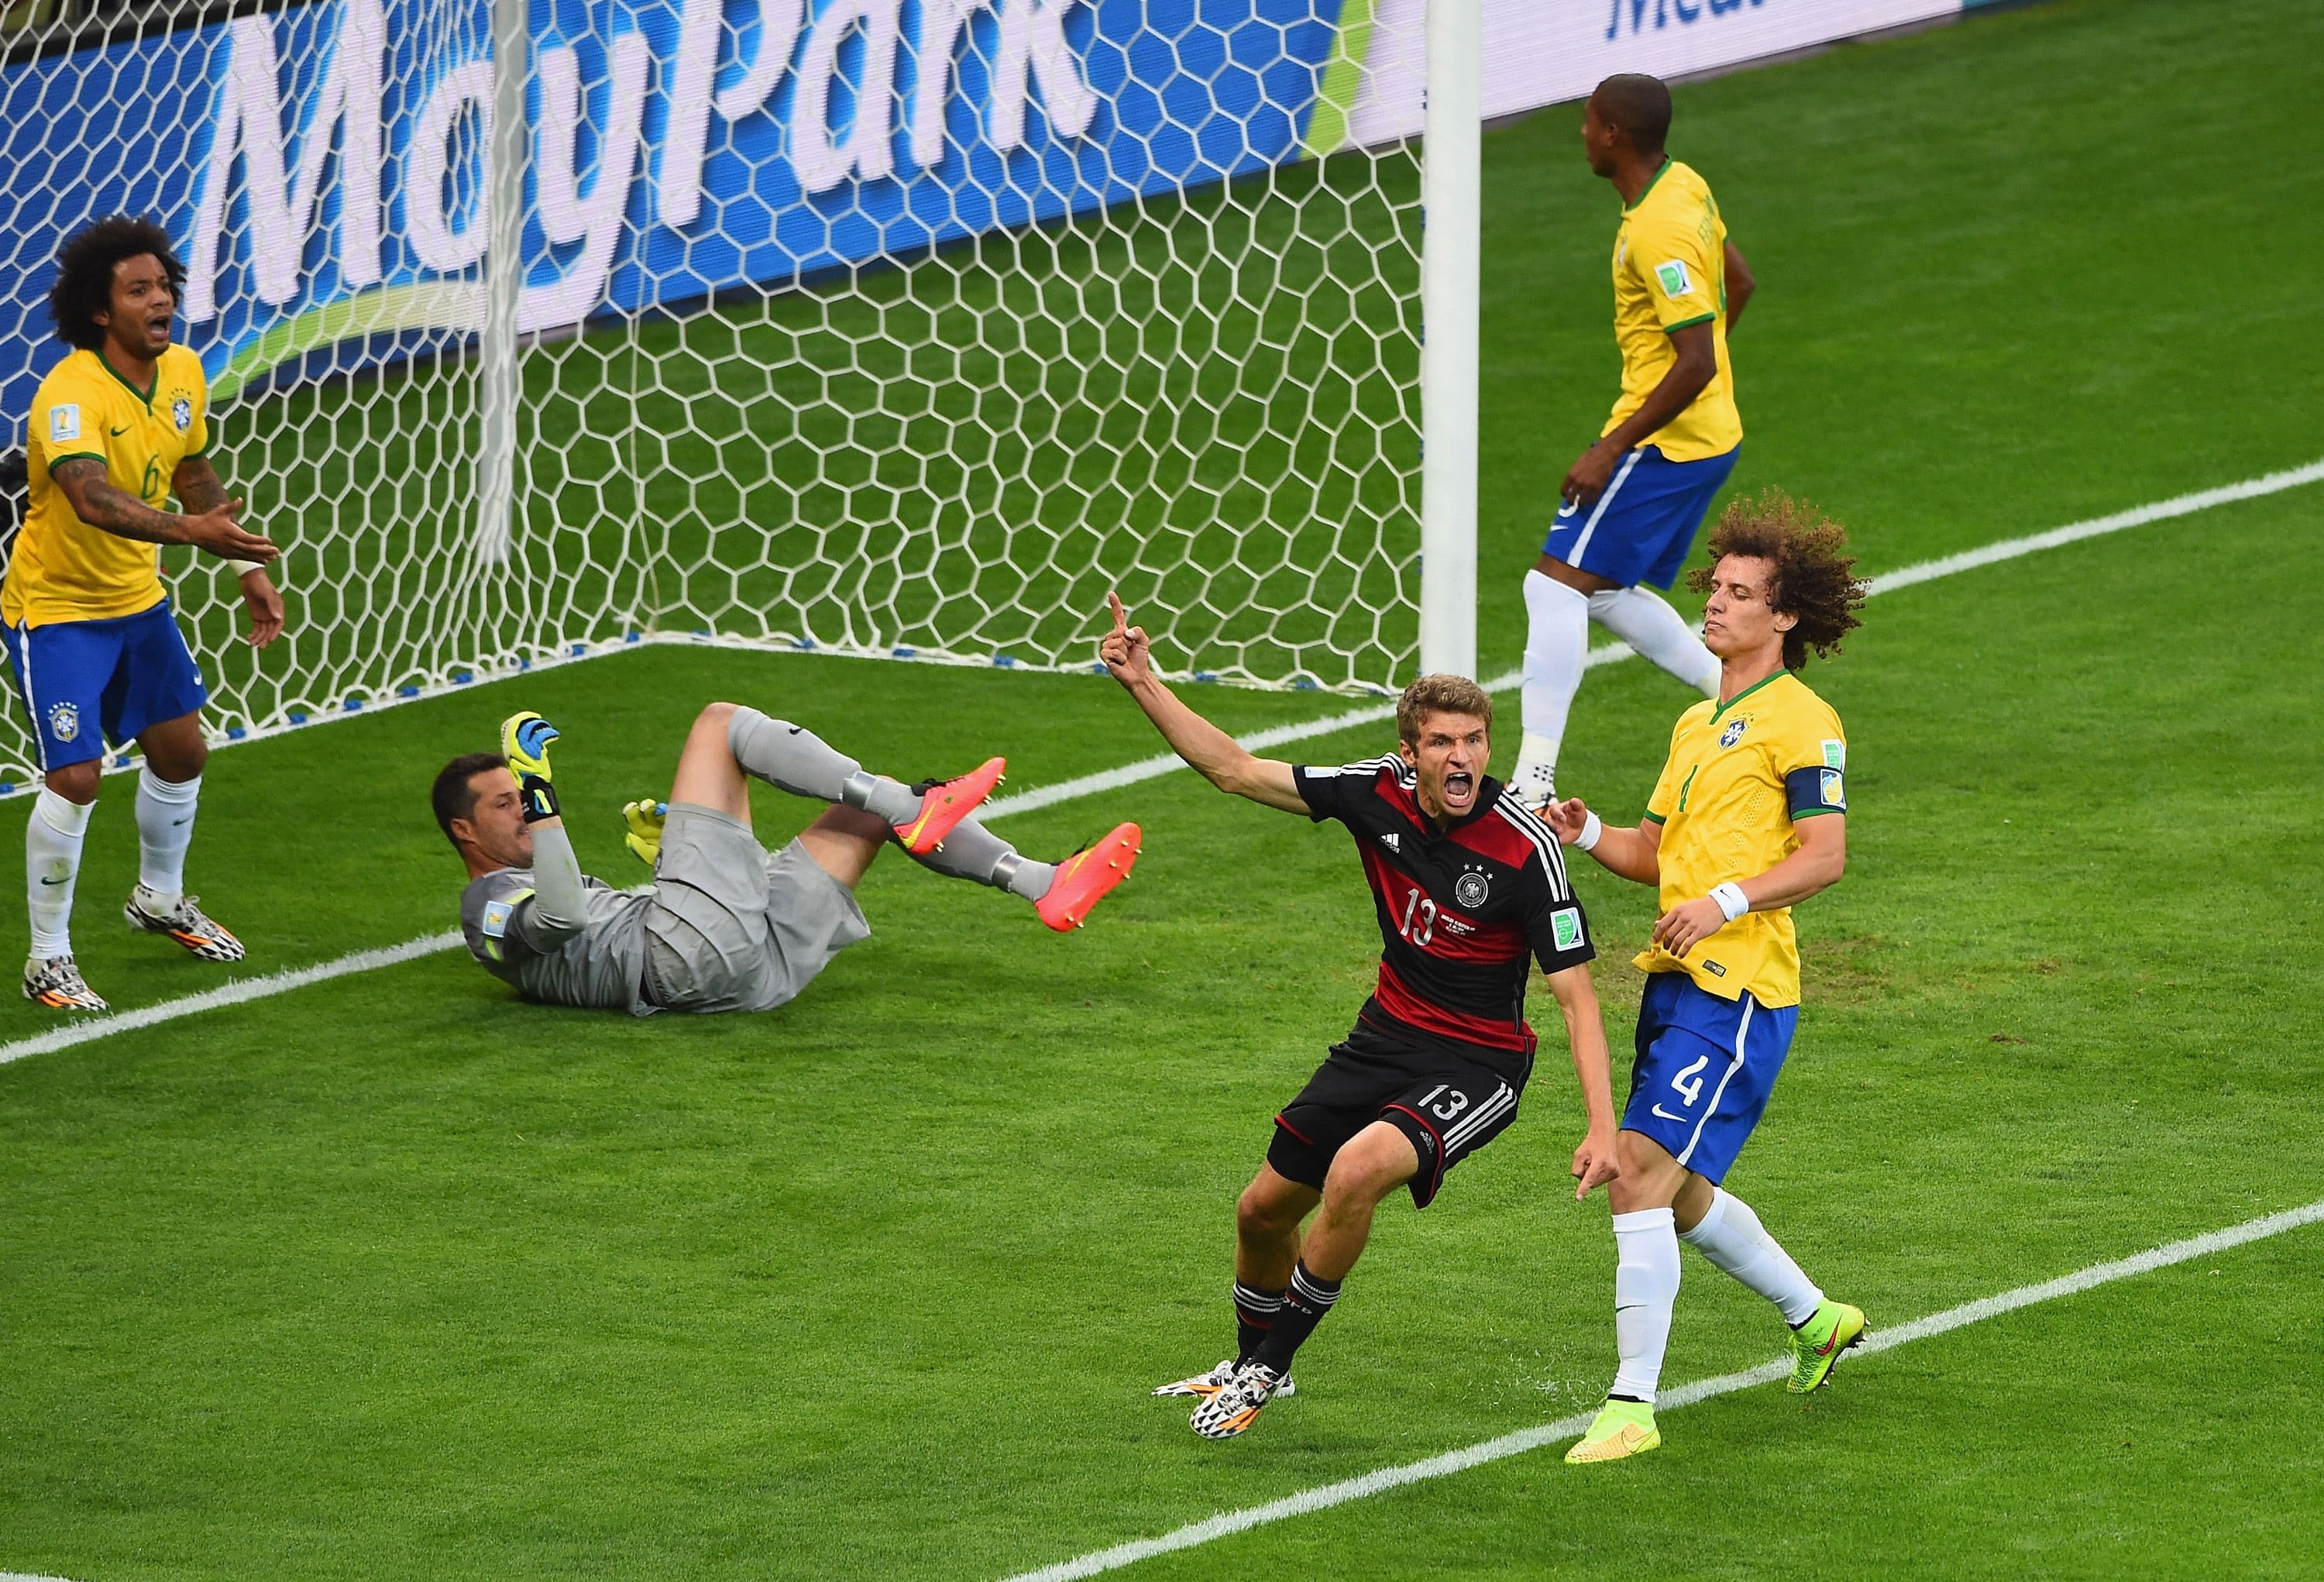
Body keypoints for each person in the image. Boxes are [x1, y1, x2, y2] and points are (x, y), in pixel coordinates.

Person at [1101, 593, 1619, 1440]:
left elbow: (1577, 995)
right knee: (1260, 1210)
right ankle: (1243, 1363)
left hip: (1478, 1063)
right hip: (1384, 1035)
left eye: (1475, 740)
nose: (1463, 758)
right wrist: (1141, 681)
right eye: (1443, 743)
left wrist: (1601, 1125)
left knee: (1354, 1171)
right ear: (1409, 751)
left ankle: (1269, 1367)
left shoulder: (1526, 848)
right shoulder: (1369, 793)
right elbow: (1233, 767)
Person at [1544, 491, 1868, 1464]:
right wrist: (1588, 833)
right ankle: (1816, 1319)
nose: (1716, 605)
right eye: (1715, 588)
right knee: (1676, 1192)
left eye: (1740, 593)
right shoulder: (1697, 722)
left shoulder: (1806, 721)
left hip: (1740, 988)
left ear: (1785, 614)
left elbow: (1825, 854)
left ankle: (1631, 1405)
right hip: (1676, 980)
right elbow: (1657, 852)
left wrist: (1725, 903)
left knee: (1638, 1169)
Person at [5, 215, 284, 1011]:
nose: (160, 300)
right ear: (101, 310)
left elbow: (191, 465)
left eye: (164, 286)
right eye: (140, 291)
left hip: (138, 601)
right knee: (76, 774)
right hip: (56, 609)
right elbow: (90, 497)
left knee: (183, 754)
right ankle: (48, 957)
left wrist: (239, 563)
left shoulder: (186, 370)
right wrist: (192, 534)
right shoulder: (70, 395)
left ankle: (158, 898)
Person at [434, 703, 1139, 1016]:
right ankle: (912, 809)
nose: (521, 810)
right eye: (504, 804)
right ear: (464, 833)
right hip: (680, 963)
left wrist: (664, 865)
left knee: (874, 808)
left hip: (744, 977)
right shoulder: (483, 908)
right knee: (719, 725)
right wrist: (541, 792)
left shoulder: (513, 892)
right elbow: (558, 917)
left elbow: (583, 929)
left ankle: (1044, 882)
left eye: (517, 794)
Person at [1509, 74, 1755, 810]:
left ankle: (1531, 780)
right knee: (1608, 591)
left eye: (1589, 123)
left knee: (1553, 584)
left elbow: (1699, 357)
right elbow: (1737, 285)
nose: (1582, 133)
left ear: (1613, 134)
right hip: (1703, 432)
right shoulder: (1685, 186)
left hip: (1666, 444)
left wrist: (1612, 445)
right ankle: (1745, 699)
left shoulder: (1659, 228)